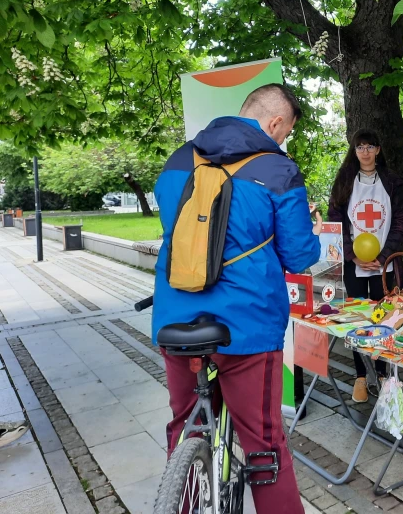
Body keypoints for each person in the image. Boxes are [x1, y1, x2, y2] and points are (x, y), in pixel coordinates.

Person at [152, 84, 322, 514]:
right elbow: (299, 254)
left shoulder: (177, 161)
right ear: (275, 123)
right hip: (247, 326)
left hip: (176, 319)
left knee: (185, 426)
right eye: (285, 134)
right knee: (264, 443)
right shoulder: (277, 170)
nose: (282, 142)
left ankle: (184, 495)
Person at [328, 129, 403, 403]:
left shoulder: (393, 182)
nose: (365, 152)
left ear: (377, 150)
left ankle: (384, 374)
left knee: (385, 318)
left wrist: (384, 255)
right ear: (354, 150)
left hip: (383, 264)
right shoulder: (344, 182)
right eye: (360, 147)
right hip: (355, 265)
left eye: (370, 146)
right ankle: (361, 375)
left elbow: (400, 222)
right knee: (358, 320)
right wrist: (352, 254)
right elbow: (336, 223)